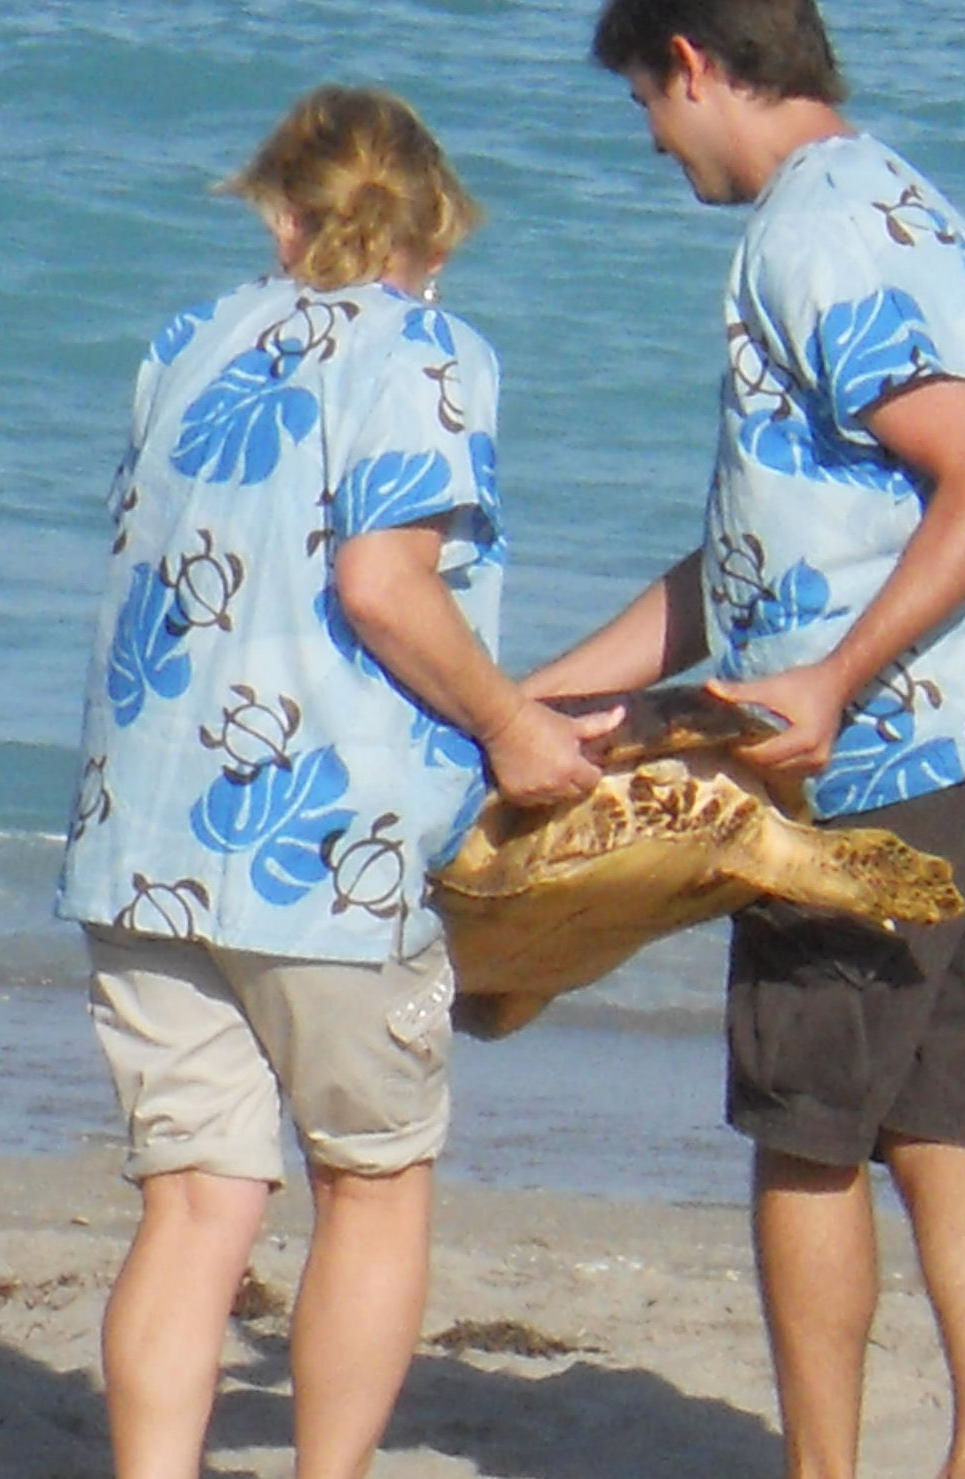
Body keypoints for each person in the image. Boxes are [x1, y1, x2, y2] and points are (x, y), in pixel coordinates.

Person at [525, 0, 965, 1479]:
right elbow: (764, 556)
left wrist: (832, 677)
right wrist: (539, 694)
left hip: (911, 748)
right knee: (956, 1122)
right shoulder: (911, 205)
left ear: (692, 64)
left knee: (808, 1125)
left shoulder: (809, 234)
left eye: (646, 104)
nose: (655, 146)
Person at [56, 85, 614, 1479]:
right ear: (438, 231)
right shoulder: (428, 354)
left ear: (279, 215)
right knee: (372, 1180)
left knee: (194, 1206)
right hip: (329, 852)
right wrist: (512, 724)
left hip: (144, 829)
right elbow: (382, 583)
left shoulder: (187, 342)